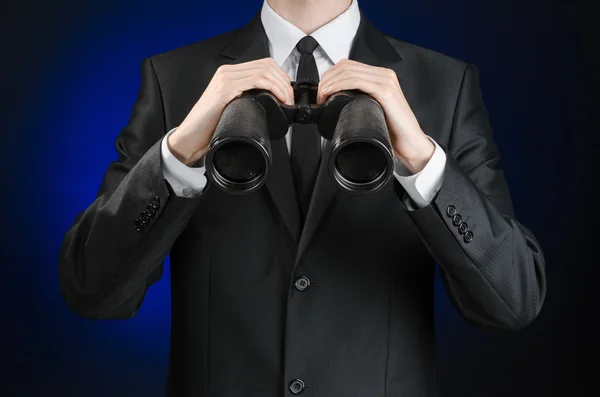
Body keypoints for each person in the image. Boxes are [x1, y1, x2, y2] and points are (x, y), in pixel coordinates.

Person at [58, 0, 547, 395]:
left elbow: (514, 300)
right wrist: (178, 153)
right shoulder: (177, 80)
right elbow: (91, 289)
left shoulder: (443, 85)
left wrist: (423, 162)